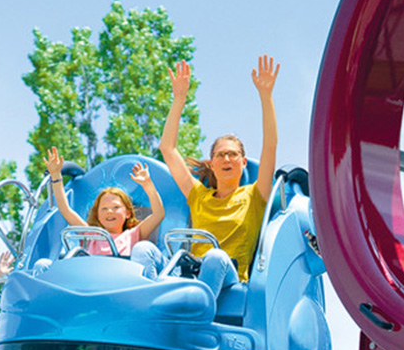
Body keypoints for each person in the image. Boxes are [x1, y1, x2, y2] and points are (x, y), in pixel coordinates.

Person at [159, 54, 279, 298]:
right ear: (212, 164)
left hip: (230, 275)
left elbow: (270, 146)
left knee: (215, 256)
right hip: (193, 271)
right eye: (221, 155)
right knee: (144, 251)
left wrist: (266, 97)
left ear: (243, 163)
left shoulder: (255, 195)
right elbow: (167, 149)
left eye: (233, 155)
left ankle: (197, 315)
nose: (227, 159)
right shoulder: (198, 196)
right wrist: (179, 99)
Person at [43, 146, 166, 278]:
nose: (109, 212)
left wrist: (148, 185)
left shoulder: (133, 235)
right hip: (98, 282)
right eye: (104, 208)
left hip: (128, 281)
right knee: (43, 264)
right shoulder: (91, 235)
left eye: (115, 207)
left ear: (128, 213)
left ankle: (146, 290)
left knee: (143, 248)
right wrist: (56, 176)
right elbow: (65, 209)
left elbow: (158, 214)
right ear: (98, 215)